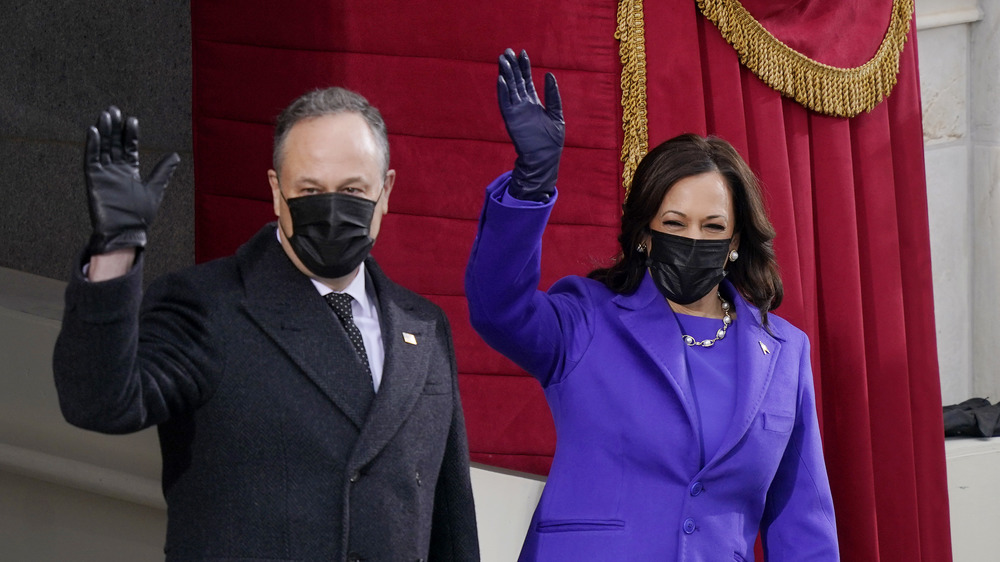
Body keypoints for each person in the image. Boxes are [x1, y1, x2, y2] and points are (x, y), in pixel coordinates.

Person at [53, 88, 479, 562]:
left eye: (354, 190)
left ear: (386, 191)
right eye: (310, 191)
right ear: (276, 191)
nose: (333, 210)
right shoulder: (206, 305)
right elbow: (99, 402)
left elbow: (450, 519)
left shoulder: (423, 326)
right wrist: (116, 248)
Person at [465, 49, 839, 561]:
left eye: (712, 228)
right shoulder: (587, 320)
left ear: (735, 241)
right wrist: (531, 186)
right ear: (645, 234)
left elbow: (803, 523)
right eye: (674, 223)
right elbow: (497, 308)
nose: (693, 238)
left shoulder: (786, 352)